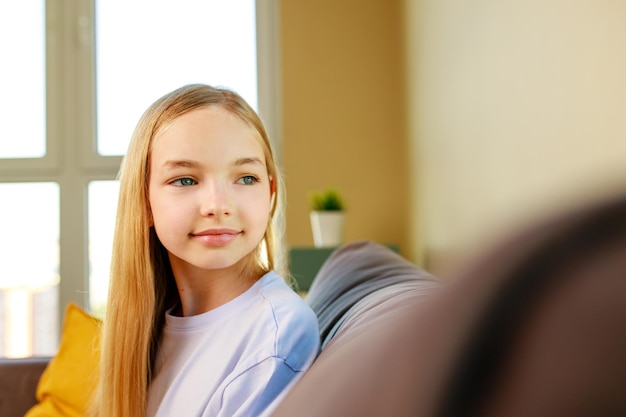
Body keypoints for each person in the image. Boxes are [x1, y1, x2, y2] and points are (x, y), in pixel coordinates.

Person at [93, 84, 320, 417]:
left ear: (270, 192)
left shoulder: (276, 336)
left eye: (245, 178)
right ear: (144, 201)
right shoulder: (152, 330)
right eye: (185, 180)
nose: (218, 205)